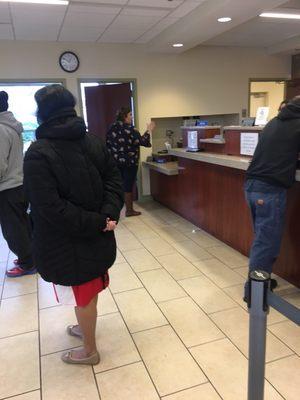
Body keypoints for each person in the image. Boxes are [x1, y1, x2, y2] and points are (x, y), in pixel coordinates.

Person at [23, 85, 124, 365]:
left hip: (66, 240)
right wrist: (105, 217)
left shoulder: (37, 153)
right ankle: (85, 328)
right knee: (89, 289)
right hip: (95, 234)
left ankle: (89, 350)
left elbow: (48, 209)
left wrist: (100, 220)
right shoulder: (92, 140)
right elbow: (115, 182)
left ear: (42, 114)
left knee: (84, 294)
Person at [244, 95, 300, 297]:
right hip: (268, 189)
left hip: (251, 186)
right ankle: (254, 292)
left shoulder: (273, 122)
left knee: (262, 238)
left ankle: (261, 279)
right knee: (266, 242)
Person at [0, 91, 35, 277]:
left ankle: (27, 263)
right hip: (18, 184)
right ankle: (30, 257)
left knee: (13, 230)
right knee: (22, 225)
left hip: (6, 188)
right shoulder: (11, 126)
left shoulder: (0, 128)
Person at [106, 107, 154, 217]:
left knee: (118, 185)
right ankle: (129, 210)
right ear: (125, 116)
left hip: (115, 162)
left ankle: (116, 209)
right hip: (130, 163)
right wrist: (148, 130)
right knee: (128, 185)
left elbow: (107, 144)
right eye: (130, 115)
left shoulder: (111, 128)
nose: (132, 117)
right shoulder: (130, 129)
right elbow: (144, 142)